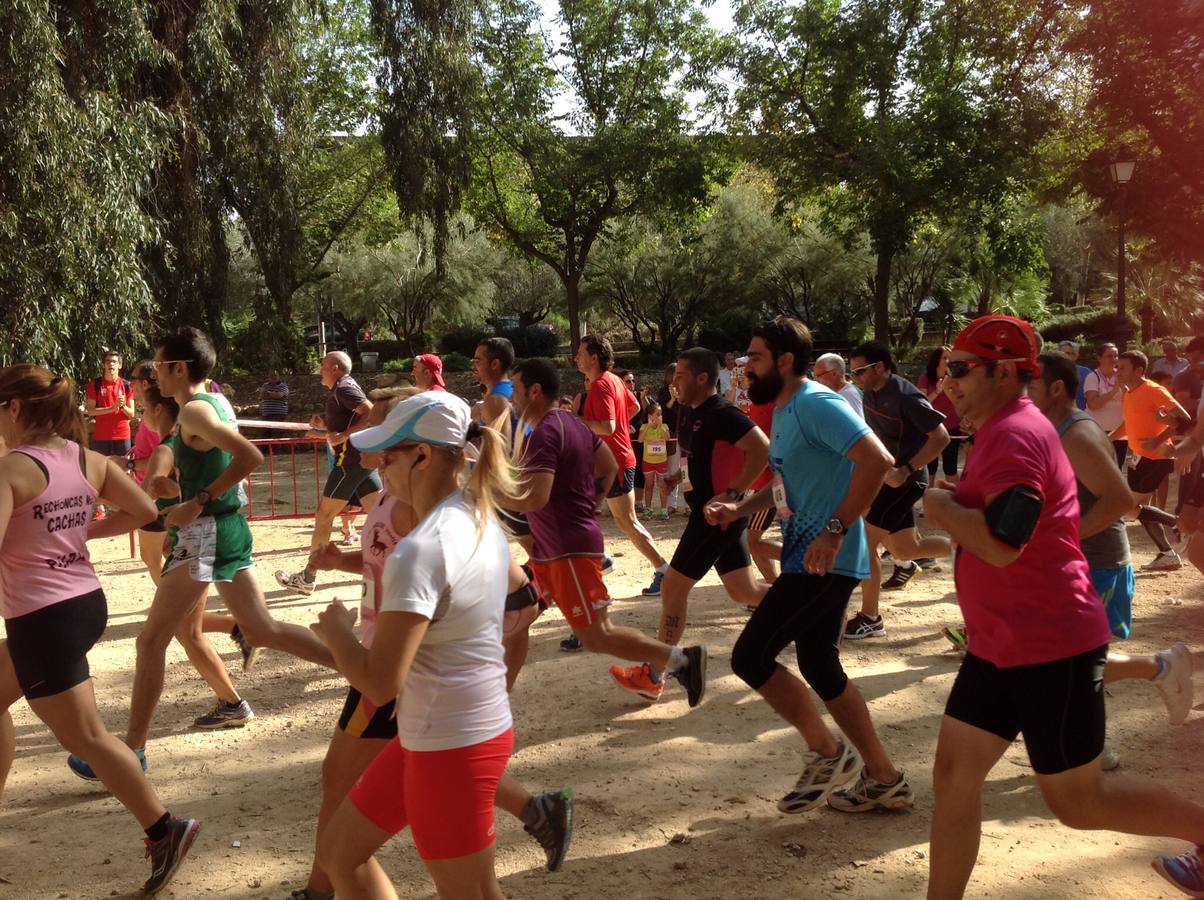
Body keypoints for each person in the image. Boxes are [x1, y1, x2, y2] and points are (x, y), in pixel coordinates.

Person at [922, 315, 1204, 899]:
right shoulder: (1004, 427)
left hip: (1048, 644)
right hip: (1000, 643)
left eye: (960, 369)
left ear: (1004, 372)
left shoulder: (1016, 434)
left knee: (1080, 803)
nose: (948, 382)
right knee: (953, 777)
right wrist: (961, 499)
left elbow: (1002, 543)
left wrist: (941, 508)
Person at [68, 327, 338, 779]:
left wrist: (198, 500)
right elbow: (201, 459)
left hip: (207, 533)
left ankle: (132, 751)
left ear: (179, 368)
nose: (154, 373)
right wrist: (174, 488)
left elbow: (250, 457)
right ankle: (364, 669)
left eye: (159, 365)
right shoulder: (206, 405)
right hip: (225, 529)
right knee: (262, 629)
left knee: (151, 640)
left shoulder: (195, 409)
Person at [311, 391, 543, 898]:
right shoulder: (477, 517)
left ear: (422, 455)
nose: (379, 465)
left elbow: (379, 683)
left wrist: (336, 630)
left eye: (389, 453)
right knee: (339, 854)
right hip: (442, 732)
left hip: (451, 745)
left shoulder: (420, 550)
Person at [0, 364, 200, 895]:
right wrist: (81, 533)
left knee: (85, 737)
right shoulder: (85, 458)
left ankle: (165, 829)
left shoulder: (11, 469)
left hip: (42, 618)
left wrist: (59, 535)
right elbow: (145, 511)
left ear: (14, 408)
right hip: (82, 604)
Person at [706, 317, 913, 815]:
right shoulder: (785, 409)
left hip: (824, 559)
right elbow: (786, 485)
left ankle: (829, 754)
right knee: (820, 664)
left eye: (755, 357)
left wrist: (835, 529)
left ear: (784, 361)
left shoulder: (817, 402)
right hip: (809, 555)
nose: (746, 366)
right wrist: (739, 507)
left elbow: (878, 460)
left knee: (750, 657)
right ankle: (883, 778)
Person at [510, 357, 708, 707]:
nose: (512, 398)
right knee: (515, 616)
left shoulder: (543, 434)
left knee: (597, 635)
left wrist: (489, 491)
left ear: (534, 391)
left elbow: (535, 498)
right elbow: (608, 465)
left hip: (566, 550)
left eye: (515, 390)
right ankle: (492, 700)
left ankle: (682, 661)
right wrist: (588, 505)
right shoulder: (571, 423)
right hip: (555, 549)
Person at [1030, 353, 1194, 767]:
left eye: (1030, 385)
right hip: (1077, 562)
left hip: (1100, 564)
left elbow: (1119, 500)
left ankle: (1096, 740)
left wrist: (1064, 536)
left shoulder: (1077, 435)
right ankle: (1159, 669)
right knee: (1068, 659)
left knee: (1077, 662)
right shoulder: (1057, 431)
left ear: (1056, 389)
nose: (1023, 394)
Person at [611, 348, 770, 702]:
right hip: (713, 514)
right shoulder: (688, 410)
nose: (674, 382)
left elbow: (762, 449)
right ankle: (810, 608)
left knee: (672, 587)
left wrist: (733, 493)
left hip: (716, 518)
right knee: (743, 591)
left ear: (702, 378)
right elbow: (695, 458)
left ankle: (655, 674)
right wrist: (676, 480)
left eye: (680, 376)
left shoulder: (723, 412)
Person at [844, 341, 951, 639]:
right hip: (887, 478)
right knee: (906, 549)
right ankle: (966, 546)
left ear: (880, 367)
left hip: (906, 481)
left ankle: (871, 618)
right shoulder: (870, 393)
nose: (856, 378)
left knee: (864, 543)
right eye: (853, 373)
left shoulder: (906, 396)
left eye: (860, 371)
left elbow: (941, 437)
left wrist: (905, 469)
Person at [276, 351, 382, 595]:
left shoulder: (344, 388)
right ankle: (404, 563)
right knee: (382, 514)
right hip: (361, 462)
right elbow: (353, 417)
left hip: (349, 463)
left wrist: (344, 435)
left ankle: (308, 577)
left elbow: (370, 413)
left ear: (335, 368)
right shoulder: (343, 388)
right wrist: (326, 425)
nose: (319, 370)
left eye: (323, 366)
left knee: (324, 516)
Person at [576, 336, 671, 595]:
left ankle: (662, 570)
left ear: (594, 358)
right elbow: (634, 406)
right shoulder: (614, 380)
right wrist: (618, 428)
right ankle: (656, 569)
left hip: (613, 462)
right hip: (615, 459)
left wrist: (576, 421)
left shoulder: (601, 385)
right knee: (619, 519)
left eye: (580, 353)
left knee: (625, 521)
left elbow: (608, 426)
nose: (576, 358)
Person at [1111, 349, 1191, 571]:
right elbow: (1128, 424)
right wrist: (1107, 438)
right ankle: (1167, 554)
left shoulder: (1154, 390)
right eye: (1117, 367)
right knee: (1140, 509)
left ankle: (1178, 523)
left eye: (1123, 367)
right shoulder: (1129, 393)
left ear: (1138, 370)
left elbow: (1184, 419)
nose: (1118, 371)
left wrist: (1157, 441)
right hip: (1137, 458)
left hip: (1157, 458)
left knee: (1129, 507)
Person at [918, 346, 962, 485]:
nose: (948, 361)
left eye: (950, 358)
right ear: (937, 360)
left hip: (952, 427)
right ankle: (928, 497)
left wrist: (951, 385)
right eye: (945, 358)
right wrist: (937, 391)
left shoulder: (954, 379)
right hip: (932, 428)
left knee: (950, 468)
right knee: (930, 468)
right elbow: (922, 404)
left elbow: (959, 402)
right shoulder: (925, 378)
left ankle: (957, 496)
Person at [85, 350, 136, 459]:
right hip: (101, 436)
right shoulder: (95, 384)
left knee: (123, 467)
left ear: (120, 365)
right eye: (107, 361)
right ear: (103, 365)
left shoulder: (127, 385)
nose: (111, 364)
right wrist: (112, 408)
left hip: (122, 435)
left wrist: (122, 406)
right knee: (101, 467)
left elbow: (132, 414)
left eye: (114, 362)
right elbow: (90, 411)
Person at [1084, 342, 1128, 467]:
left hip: (1120, 432)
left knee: (1116, 469)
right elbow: (1093, 405)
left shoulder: (1122, 376)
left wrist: (1125, 392)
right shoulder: (1092, 377)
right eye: (1109, 356)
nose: (1113, 359)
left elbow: (1129, 404)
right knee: (1097, 468)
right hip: (1098, 431)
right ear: (1099, 358)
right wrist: (1114, 391)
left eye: (1116, 356)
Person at [655, 363, 684, 514]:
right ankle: (672, 504)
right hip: (670, 434)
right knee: (672, 469)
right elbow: (662, 411)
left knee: (686, 469)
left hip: (685, 433)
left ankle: (689, 505)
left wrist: (680, 398)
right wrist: (673, 399)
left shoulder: (687, 389)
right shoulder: (663, 392)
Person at [638, 400, 672, 519]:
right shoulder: (644, 427)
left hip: (661, 461)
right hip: (648, 461)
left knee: (662, 486)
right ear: (650, 415)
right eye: (657, 414)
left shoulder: (664, 426)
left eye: (661, 413)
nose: (660, 416)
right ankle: (648, 509)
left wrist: (660, 426)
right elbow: (640, 440)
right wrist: (648, 426)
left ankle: (664, 510)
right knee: (649, 486)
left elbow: (667, 438)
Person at [811, 353, 864, 418]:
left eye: (818, 375)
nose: (816, 380)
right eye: (814, 376)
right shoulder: (839, 393)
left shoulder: (849, 395)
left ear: (834, 373)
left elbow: (858, 423)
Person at [1057, 340, 1092, 410]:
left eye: (1070, 353)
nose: (1067, 356)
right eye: (1064, 353)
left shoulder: (1086, 373)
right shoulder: (1051, 371)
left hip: (1080, 412)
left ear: (1076, 356)